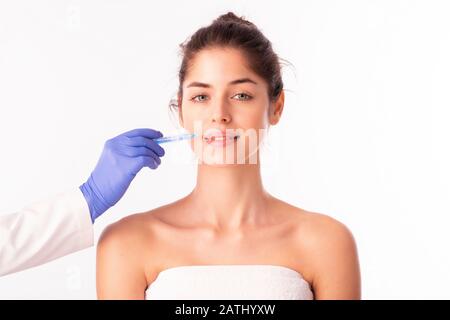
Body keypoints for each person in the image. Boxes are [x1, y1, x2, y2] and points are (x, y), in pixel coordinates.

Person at [96, 12, 361, 300]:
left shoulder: (327, 243)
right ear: (181, 109)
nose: (219, 115)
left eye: (241, 95)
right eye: (201, 97)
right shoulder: (126, 243)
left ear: (276, 106)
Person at [0, 128, 165, 276]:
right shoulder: (124, 244)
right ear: (179, 114)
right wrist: (91, 196)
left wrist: (90, 197)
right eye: (191, 98)